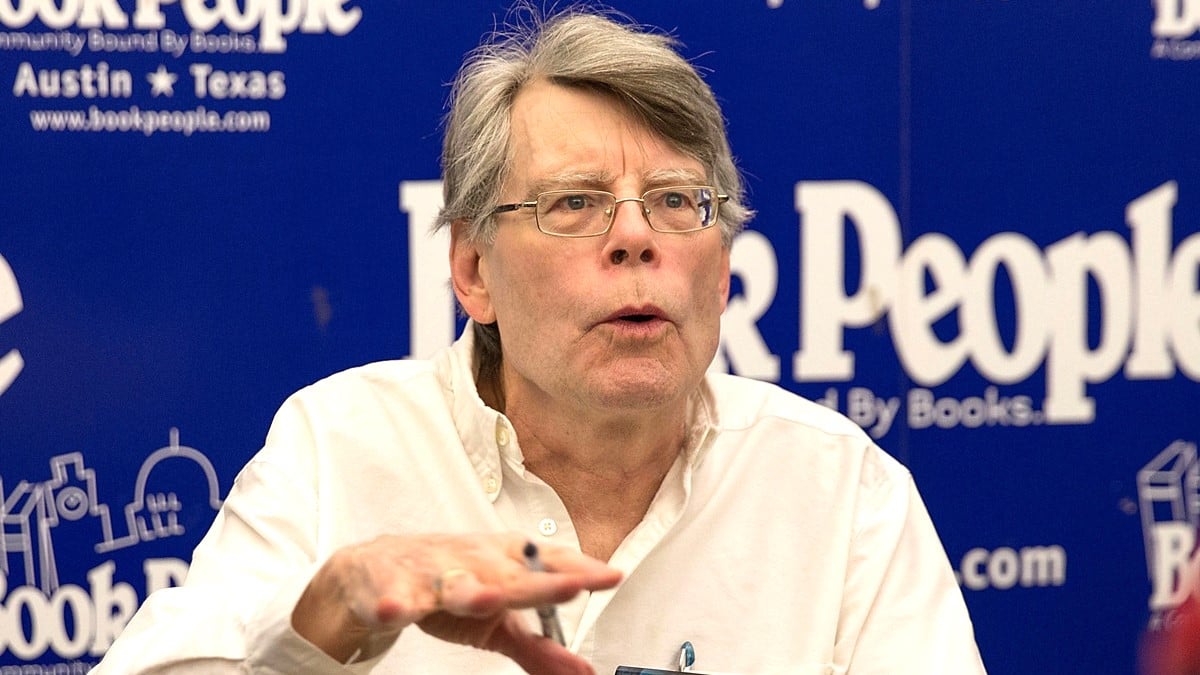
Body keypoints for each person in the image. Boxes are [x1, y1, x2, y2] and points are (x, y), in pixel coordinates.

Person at [93, 6, 987, 674]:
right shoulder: (338, 449)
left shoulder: (842, 492)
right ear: (474, 272)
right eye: (575, 202)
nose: (636, 237)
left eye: (676, 201)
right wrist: (328, 619)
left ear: (720, 273)